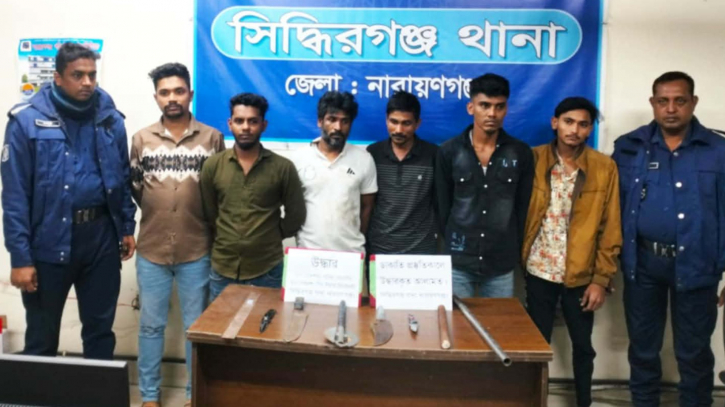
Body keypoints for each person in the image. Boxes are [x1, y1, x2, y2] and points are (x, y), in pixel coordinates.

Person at [1, 42, 136, 359]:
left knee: (100, 335)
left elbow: (121, 177)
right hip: (48, 242)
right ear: (58, 78)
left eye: (92, 75)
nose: (87, 82)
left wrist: (127, 227)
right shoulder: (26, 122)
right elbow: (15, 196)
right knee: (42, 338)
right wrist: (20, 258)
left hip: (101, 239)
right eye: (78, 75)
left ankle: (97, 389)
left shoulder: (110, 119)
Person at [613, 71, 725, 406]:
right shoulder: (629, 147)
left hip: (698, 265)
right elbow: (611, 208)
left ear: (694, 102)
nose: (671, 109)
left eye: (680, 101)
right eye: (663, 101)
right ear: (653, 103)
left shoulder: (718, 150)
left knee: (694, 352)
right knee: (643, 349)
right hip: (643, 265)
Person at [130, 62, 225, 407]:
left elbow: (219, 190)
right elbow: (136, 188)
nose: (172, 98)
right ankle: (149, 396)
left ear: (190, 94)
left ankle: (193, 395)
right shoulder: (141, 139)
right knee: (150, 327)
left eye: (179, 91)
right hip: (152, 248)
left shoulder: (212, 138)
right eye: (165, 92)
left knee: (195, 327)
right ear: (156, 97)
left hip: (196, 248)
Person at [522, 97, 621, 407]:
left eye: (583, 124)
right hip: (539, 267)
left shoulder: (604, 167)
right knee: (536, 344)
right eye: (568, 121)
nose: (574, 130)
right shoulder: (533, 159)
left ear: (590, 129)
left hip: (581, 273)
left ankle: (583, 402)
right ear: (555, 123)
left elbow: (611, 227)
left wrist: (601, 279)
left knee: (583, 346)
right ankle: (534, 400)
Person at [435, 73, 534, 298]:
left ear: (506, 109)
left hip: (501, 263)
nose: (492, 113)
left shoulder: (520, 153)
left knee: (498, 320)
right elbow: (442, 207)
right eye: (485, 105)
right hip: (459, 261)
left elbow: (523, 207)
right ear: (471, 108)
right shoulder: (449, 152)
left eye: (499, 106)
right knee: (458, 320)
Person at [200, 93, 305, 301]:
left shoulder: (283, 167)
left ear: (263, 125)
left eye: (253, 121)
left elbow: (296, 214)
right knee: (220, 323)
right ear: (230, 124)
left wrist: (270, 235)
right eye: (239, 121)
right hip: (223, 268)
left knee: (265, 322)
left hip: (267, 269)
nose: (246, 127)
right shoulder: (213, 165)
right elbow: (209, 213)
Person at [291, 91, 377, 253]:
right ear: (320, 121)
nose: (338, 127)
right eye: (332, 119)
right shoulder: (299, 158)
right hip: (308, 254)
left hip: (351, 255)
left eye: (345, 121)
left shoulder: (364, 160)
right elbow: (292, 208)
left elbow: (367, 207)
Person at [366, 91, 438, 255]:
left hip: (422, 252)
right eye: (394, 122)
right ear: (386, 120)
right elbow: (367, 205)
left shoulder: (433, 155)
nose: (399, 130)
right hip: (380, 251)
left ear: (417, 124)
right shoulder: (373, 153)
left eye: (406, 123)